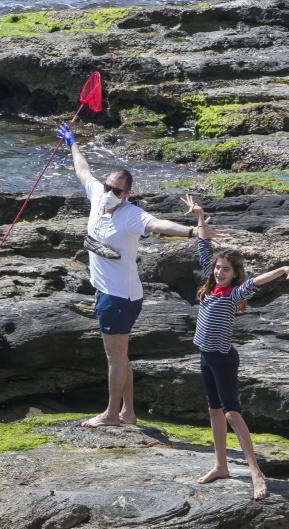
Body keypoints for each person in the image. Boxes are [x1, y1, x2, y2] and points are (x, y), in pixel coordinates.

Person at [57, 122, 208, 428]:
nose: (111, 192)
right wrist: (71, 143)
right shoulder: (98, 195)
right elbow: (83, 170)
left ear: (127, 193)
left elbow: (159, 225)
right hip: (113, 292)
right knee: (121, 355)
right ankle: (128, 412)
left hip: (119, 297)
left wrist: (193, 230)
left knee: (114, 359)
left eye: (117, 190)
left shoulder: (132, 215)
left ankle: (111, 414)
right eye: (109, 187)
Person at [183, 195, 289, 500]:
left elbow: (257, 283)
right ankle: (221, 466)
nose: (219, 272)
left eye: (225, 270)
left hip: (224, 359)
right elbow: (203, 246)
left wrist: (281, 269)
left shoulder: (233, 294)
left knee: (231, 414)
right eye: (218, 268)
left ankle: (256, 473)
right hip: (205, 357)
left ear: (234, 274)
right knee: (214, 411)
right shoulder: (209, 284)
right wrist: (200, 217)